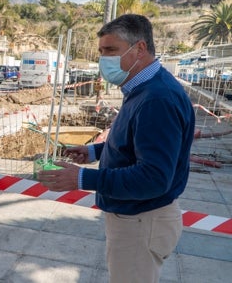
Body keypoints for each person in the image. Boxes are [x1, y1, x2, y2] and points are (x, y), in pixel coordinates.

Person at [38, 14, 195, 283]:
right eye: (100, 52)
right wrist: (94, 152)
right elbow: (134, 143)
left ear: (140, 49)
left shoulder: (156, 99)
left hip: (141, 222)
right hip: (137, 218)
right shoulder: (142, 89)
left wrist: (80, 178)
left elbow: (154, 178)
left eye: (111, 50)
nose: (103, 60)